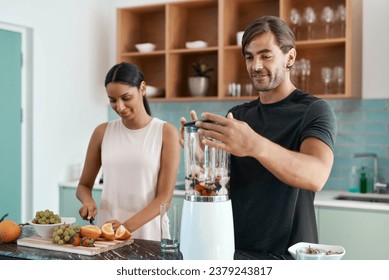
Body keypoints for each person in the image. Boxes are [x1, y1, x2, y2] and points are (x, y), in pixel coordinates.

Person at [180, 16, 336, 259]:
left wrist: (254, 144)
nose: (256, 65)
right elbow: (221, 185)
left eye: (266, 55)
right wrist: (201, 156)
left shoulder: (314, 110)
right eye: (250, 57)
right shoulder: (239, 115)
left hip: (289, 258)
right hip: (234, 252)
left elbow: (316, 175)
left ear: (290, 57)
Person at [77, 62, 180, 241]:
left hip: (149, 236)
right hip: (107, 235)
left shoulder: (166, 132)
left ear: (142, 88)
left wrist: (126, 227)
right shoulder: (102, 132)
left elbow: (164, 198)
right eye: (112, 100)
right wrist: (88, 201)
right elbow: (84, 186)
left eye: (126, 98)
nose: (120, 107)